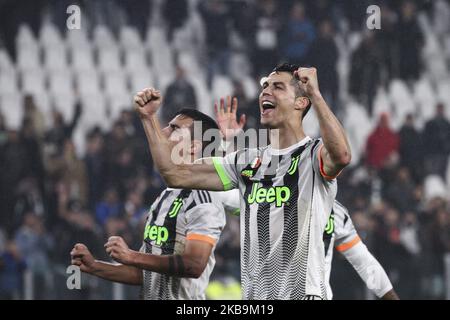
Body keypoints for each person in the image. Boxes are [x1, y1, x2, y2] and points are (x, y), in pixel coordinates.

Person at [133, 63, 351, 299]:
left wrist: (316, 95)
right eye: (265, 86)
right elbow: (174, 173)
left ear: (300, 101)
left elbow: (342, 156)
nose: (265, 91)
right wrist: (149, 119)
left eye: (277, 86)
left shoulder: (313, 154)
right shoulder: (246, 162)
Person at [213, 97, 398, 300]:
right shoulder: (262, 198)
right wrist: (227, 145)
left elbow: (365, 263)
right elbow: (221, 192)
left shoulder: (335, 214)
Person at [71, 109, 226, 300]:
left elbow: (194, 264)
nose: (163, 131)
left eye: (174, 128)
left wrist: (132, 256)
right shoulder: (165, 197)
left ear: (193, 147)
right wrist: (95, 266)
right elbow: (145, 273)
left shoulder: (203, 197)